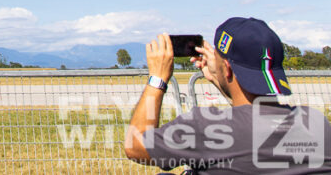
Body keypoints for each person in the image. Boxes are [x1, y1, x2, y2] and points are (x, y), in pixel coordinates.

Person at [125, 17, 331, 173]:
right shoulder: (317, 125)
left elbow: (135, 146)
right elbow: (249, 123)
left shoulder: (206, 127)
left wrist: (158, 78)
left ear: (228, 68)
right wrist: (222, 80)